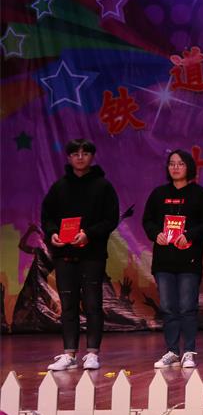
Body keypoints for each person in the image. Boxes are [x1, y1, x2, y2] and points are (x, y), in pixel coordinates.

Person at [41, 139, 120, 371]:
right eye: (75, 153)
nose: (80, 157)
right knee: (68, 304)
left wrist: (88, 234)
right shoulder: (59, 187)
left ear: (92, 156)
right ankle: (69, 354)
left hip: (92, 254)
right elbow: (47, 217)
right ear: (68, 157)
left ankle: (93, 353)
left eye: (85, 153)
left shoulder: (103, 186)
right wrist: (53, 233)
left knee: (93, 303)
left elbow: (110, 219)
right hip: (64, 254)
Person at [142, 149, 203, 368]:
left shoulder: (200, 194)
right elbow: (147, 221)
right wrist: (156, 233)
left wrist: (190, 235)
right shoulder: (158, 194)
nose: (175, 167)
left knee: (187, 307)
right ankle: (172, 351)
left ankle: (189, 351)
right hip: (164, 261)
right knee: (168, 307)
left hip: (189, 260)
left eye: (180, 163)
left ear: (189, 168)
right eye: (172, 163)